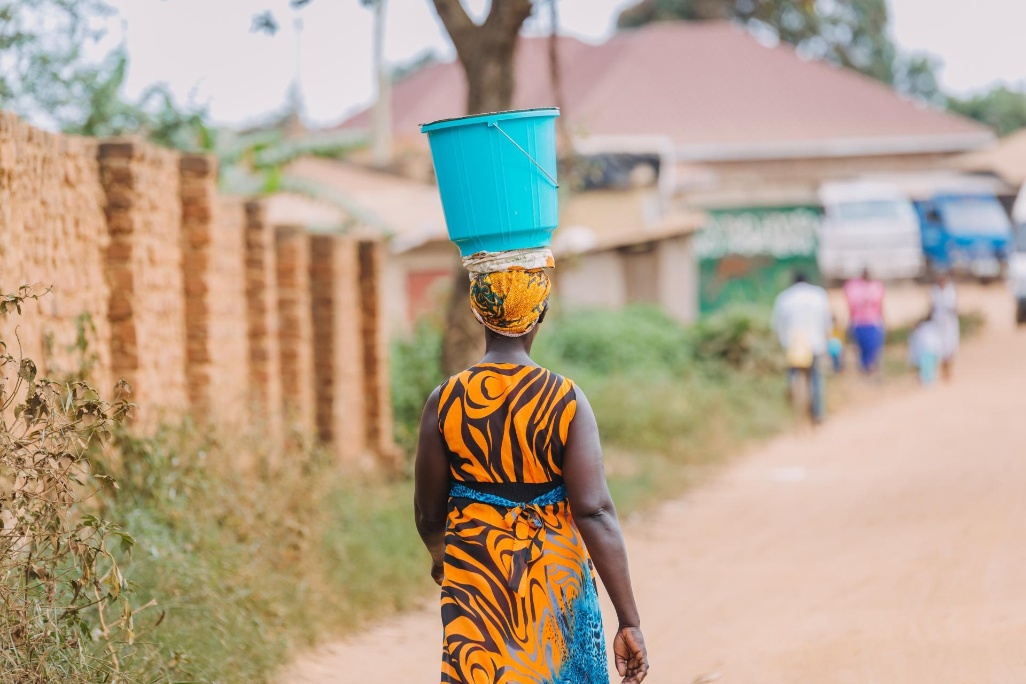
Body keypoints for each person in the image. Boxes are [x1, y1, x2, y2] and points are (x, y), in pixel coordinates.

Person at [414, 265, 649, 684]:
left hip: (475, 570)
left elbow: (429, 514)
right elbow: (593, 511)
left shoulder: (445, 400)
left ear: (478, 313)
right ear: (541, 312)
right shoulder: (566, 399)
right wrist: (628, 620)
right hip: (555, 572)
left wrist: (442, 561)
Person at [772, 272, 833, 423]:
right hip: (815, 342)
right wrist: (826, 340)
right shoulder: (819, 295)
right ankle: (818, 413)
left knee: (793, 373)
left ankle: (792, 394)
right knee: (816, 378)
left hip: (793, 344)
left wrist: (781, 343)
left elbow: (776, 325)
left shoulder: (784, 297)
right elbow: (827, 322)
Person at [843, 268, 886, 375]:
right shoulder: (854, 288)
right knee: (861, 350)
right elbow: (850, 308)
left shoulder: (876, 287)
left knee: (873, 350)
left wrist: (884, 322)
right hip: (859, 323)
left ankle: (872, 371)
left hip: (873, 322)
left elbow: (880, 306)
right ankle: (865, 372)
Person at [930, 271, 960, 381]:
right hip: (938, 323)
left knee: (950, 347)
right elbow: (931, 307)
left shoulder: (951, 290)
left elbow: (955, 307)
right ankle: (943, 370)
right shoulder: (934, 291)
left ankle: (949, 371)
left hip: (950, 323)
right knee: (940, 347)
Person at [908, 313, 942, 385]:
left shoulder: (923, 329)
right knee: (929, 368)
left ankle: (926, 381)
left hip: (925, 350)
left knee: (926, 368)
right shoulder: (933, 327)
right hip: (930, 350)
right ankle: (927, 381)